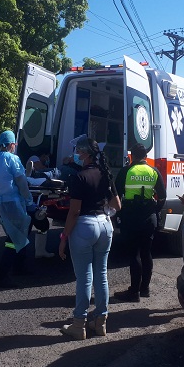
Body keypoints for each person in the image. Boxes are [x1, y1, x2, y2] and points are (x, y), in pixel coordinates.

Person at [58, 136, 121, 340]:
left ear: (84, 153)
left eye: (77, 150)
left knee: (84, 278)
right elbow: (117, 205)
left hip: (85, 226)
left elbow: (74, 212)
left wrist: (64, 236)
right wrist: (104, 212)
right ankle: (100, 321)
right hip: (105, 225)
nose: (75, 154)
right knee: (101, 274)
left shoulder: (79, 176)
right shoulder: (105, 173)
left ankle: (79, 324)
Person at [0, 130, 42, 288]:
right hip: (14, 203)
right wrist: (29, 201)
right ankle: (0, 275)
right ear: (10, 144)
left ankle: (19, 267)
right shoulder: (13, 159)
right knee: (14, 238)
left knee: (19, 233)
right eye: (14, 144)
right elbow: (22, 182)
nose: (14, 147)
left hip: (0, 204)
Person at [113, 143, 166, 303]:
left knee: (134, 253)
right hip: (149, 217)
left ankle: (134, 292)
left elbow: (115, 195)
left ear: (132, 156)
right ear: (145, 156)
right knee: (146, 252)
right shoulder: (154, 171)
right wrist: (154, 210)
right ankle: (145, 289)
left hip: (131, 216)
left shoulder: (126, 171)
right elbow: (162, 197)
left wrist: (118, 214)